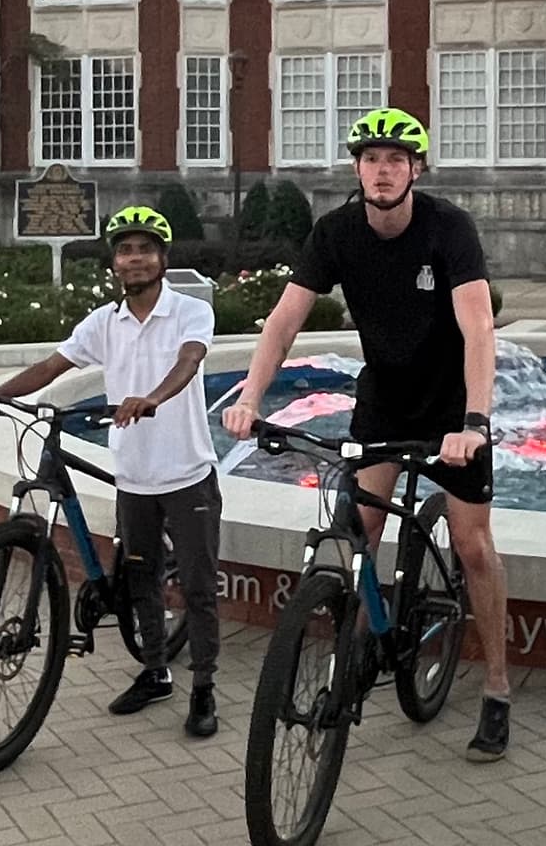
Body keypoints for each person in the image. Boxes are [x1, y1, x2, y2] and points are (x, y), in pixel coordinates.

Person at [218, 108, 517, 757]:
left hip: (450, 407)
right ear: (357, 169)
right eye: (372, 160)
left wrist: (475, 421)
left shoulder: (447, 228)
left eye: (396, 160)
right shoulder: (336, 233)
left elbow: (478, 328)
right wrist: (249, 398)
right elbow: (282, 321)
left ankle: (496, 688)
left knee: (472, 545)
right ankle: (353, 651)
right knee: (358, 535)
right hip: (383, 400)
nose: (383, 170)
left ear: (415, 169)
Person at [0, 206, 224, 738]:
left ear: (162, 258)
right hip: (134, 479)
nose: (135, 258)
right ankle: (154, 672)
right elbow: (52, 367)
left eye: (145, 248)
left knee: (197, 588)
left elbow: (189, 363)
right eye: (125, 250)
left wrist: (152, 398)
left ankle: (204, 689)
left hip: (188, 473)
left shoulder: (190, 313)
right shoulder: (105, 322)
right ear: (114, 263)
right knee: (142, 580)